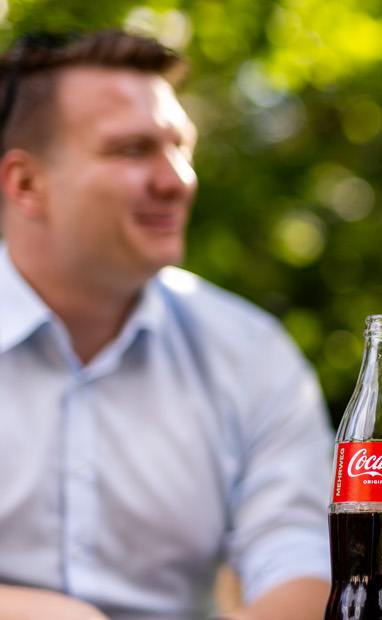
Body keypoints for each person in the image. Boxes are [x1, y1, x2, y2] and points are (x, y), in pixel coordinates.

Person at [0, 31, 332, 620]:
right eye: (133, 150)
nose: (178, 179)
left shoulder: (250, 352)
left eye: (181, 146)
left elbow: (301, 555)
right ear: (26, 185)